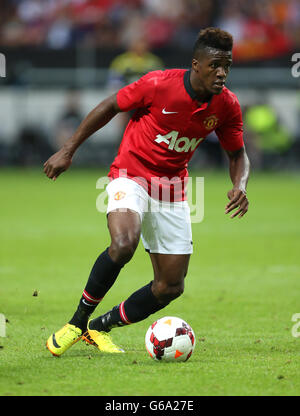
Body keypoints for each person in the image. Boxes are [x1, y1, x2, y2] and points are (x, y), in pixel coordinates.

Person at [44, 27, 250, 356]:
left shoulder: (226, 106)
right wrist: (69, 149)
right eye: (215, 65)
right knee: (124, 243)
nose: (222, 73)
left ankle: (98, 328)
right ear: (196, 64)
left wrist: (239, 185)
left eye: (227, 66)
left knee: (170, 286)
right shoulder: (159, 84)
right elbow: (110, 105)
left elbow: (237, 154)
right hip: (131, 173)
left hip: (173, 187)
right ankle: (77, 322)